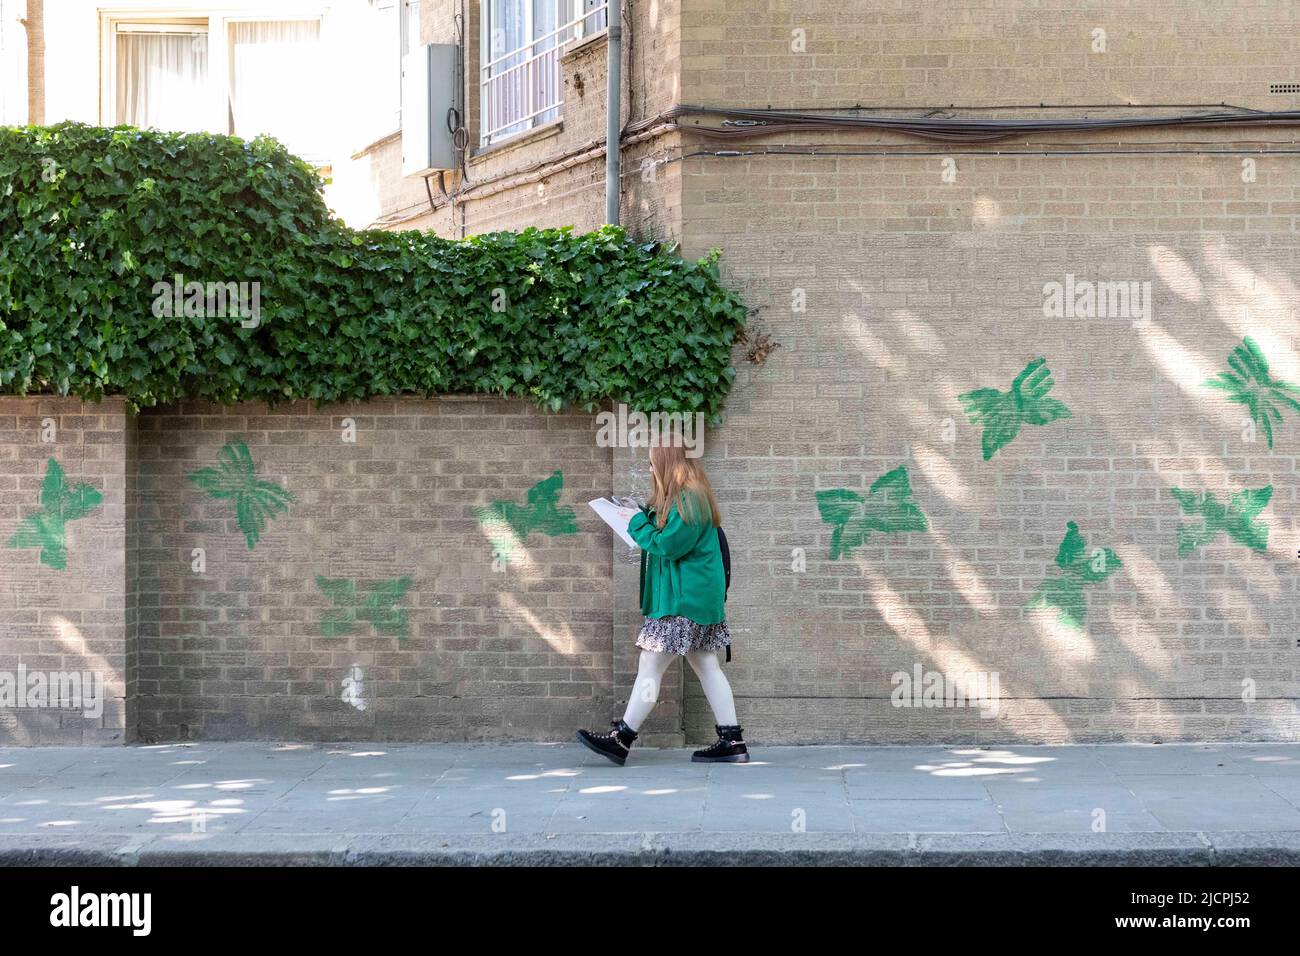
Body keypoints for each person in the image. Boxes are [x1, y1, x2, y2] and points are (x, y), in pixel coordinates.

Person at [576, 441, 748, 766]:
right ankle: (732, 740)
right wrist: (638, 512)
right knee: (706, 665)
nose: (651, 470)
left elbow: (667, 545)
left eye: (654, 464)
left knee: (651, 665)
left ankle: (622, 739)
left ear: (668, 464)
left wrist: (635, 522)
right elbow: (667, 531)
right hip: (693, 598)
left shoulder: (689, 499)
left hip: (683, 601)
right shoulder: (688, 497)